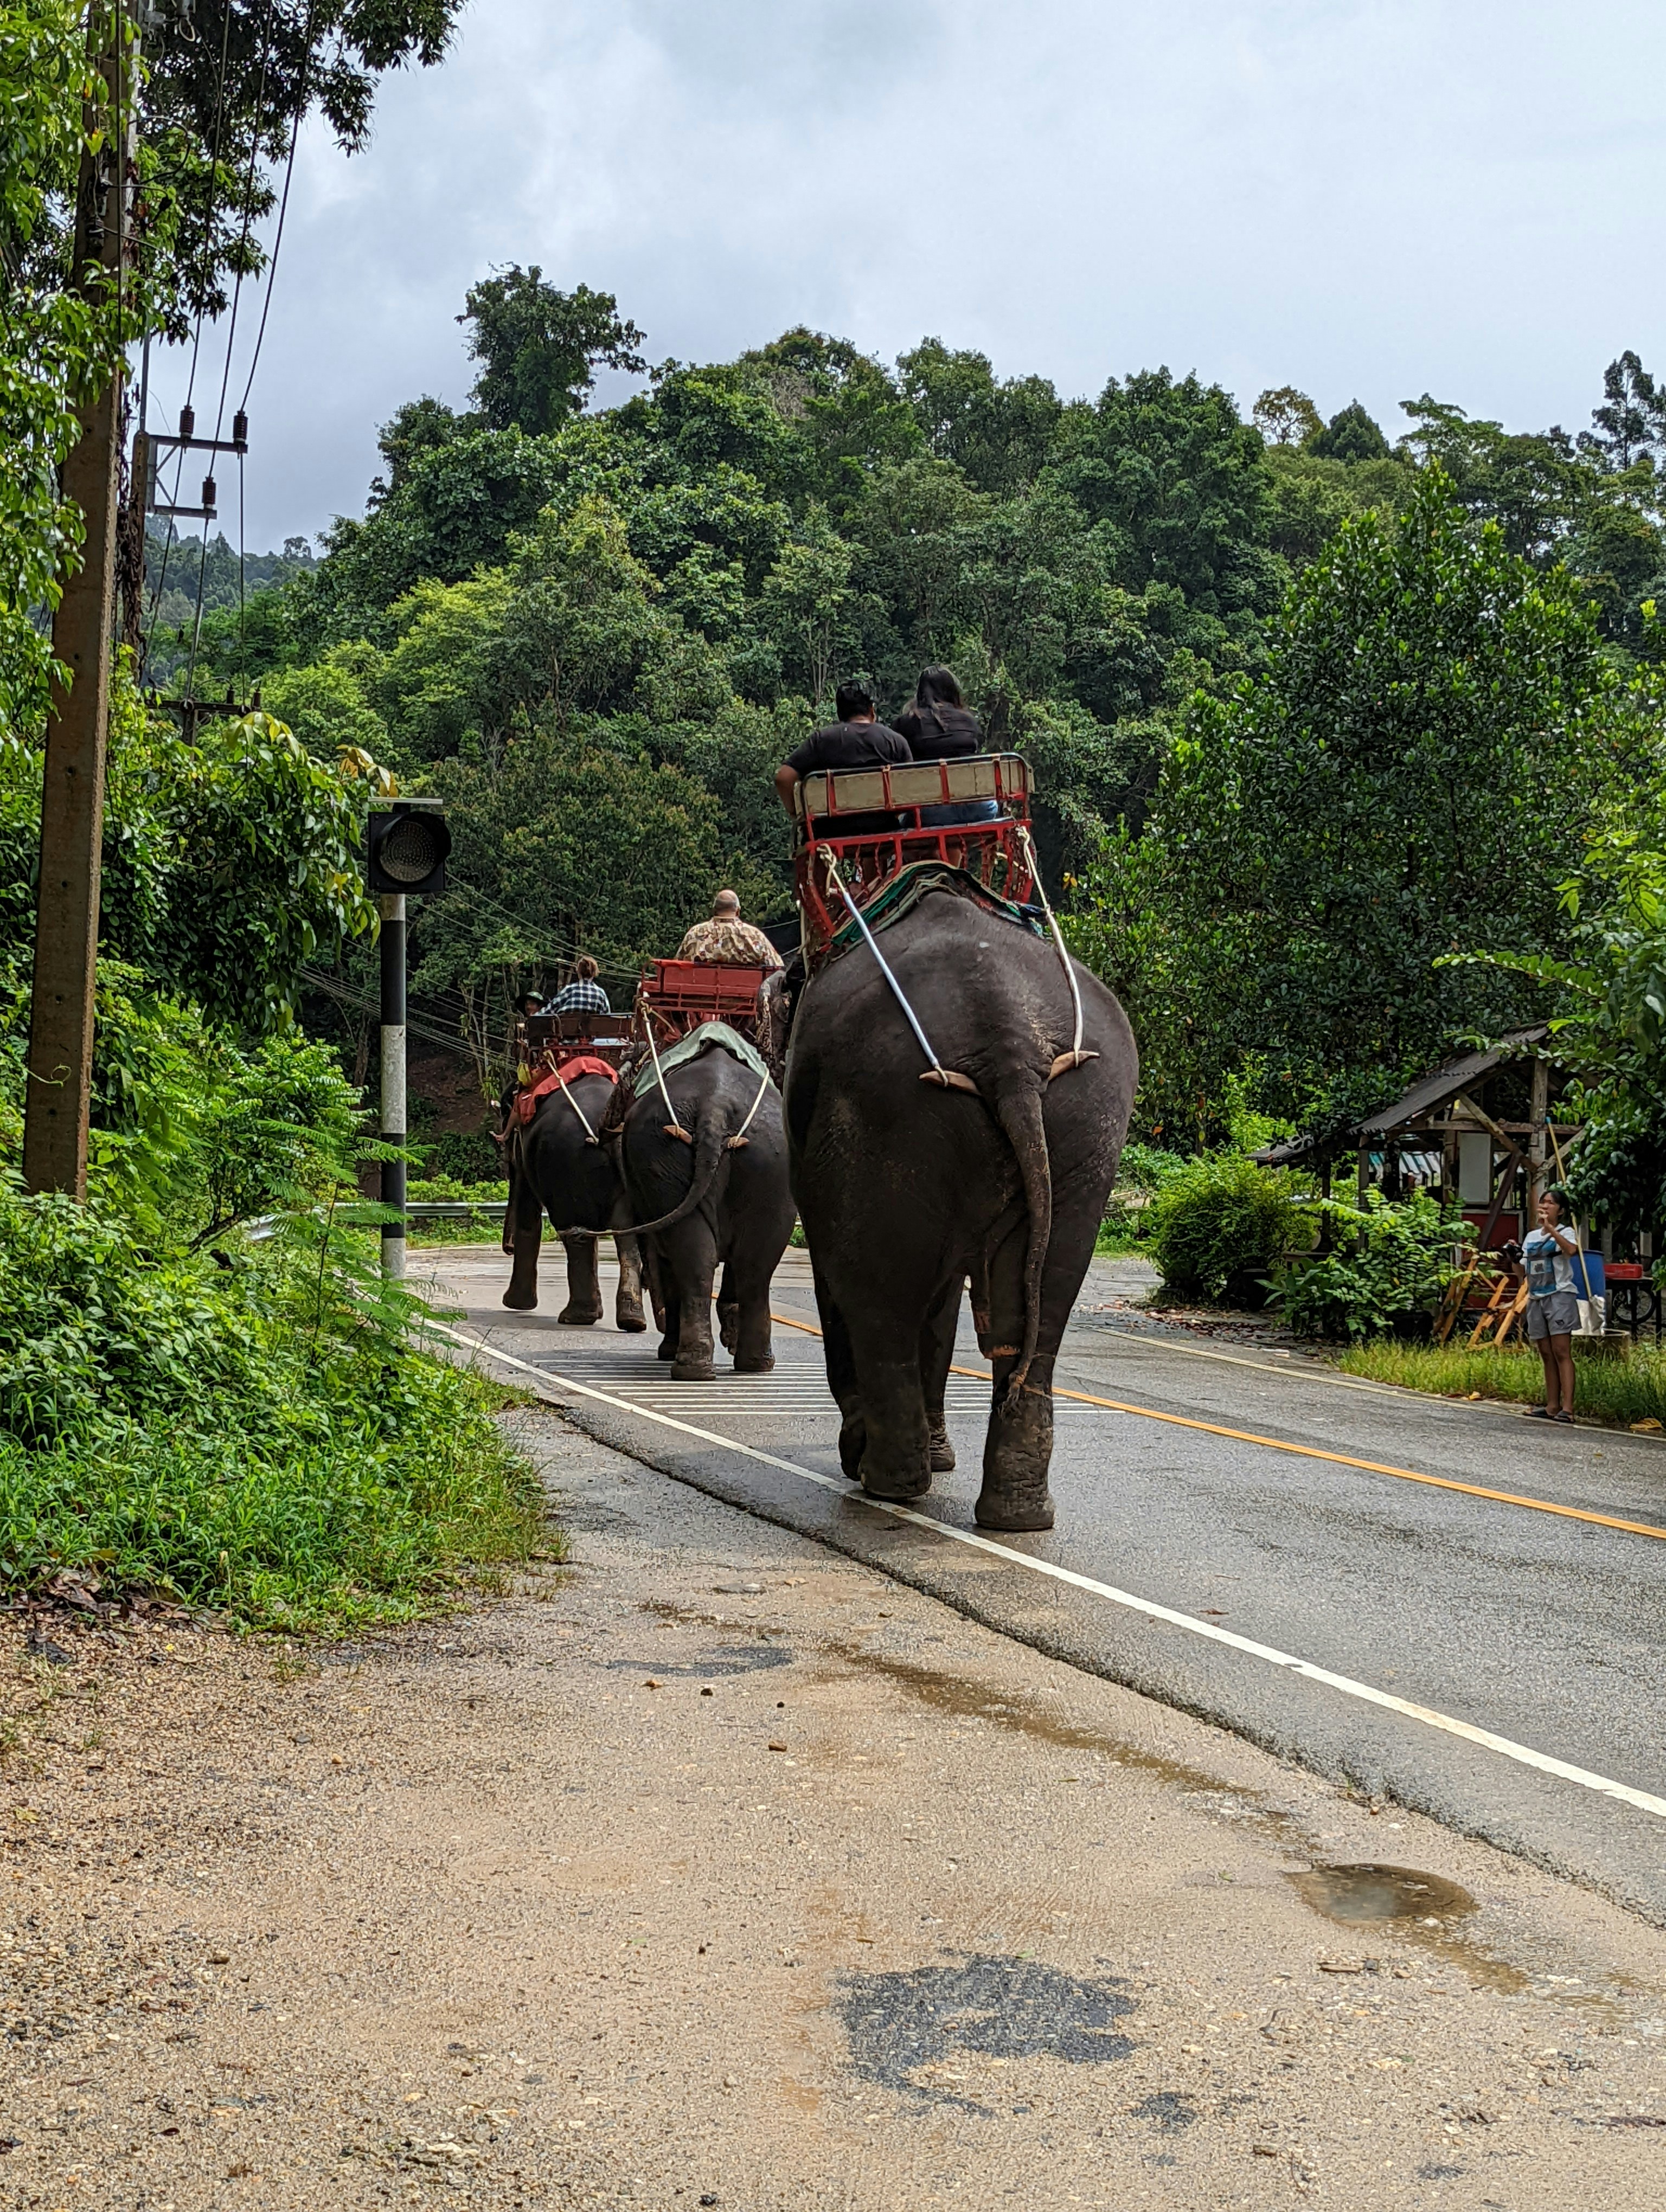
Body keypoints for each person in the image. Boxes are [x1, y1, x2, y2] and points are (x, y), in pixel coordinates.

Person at [775, 679, 912, 838]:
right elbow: (909, 791)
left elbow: (783, 778)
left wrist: (796, 813)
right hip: (883, 827)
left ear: (840, 714)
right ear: (872, 711)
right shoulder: (895, 741)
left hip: (830, 830)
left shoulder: (821, 740)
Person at [1510, 1186, 1585, 1423]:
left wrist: (1550, 1229)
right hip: (1536, 1296)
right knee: (1545, 1352)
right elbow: (1521, 1270)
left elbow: (1572, 1251)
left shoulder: (1567, 1232)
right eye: (1543, 1202)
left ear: (1560, 1210)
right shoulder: (1532, 1237)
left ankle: (1568, 1408)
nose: (1545, 1206)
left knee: (1561, 1350)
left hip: (1560, 1295)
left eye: (1551, 1203)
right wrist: (1513, 1257)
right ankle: (1552, 1405)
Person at [892, 666, 999, 828]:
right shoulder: (968, 720)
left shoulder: (907, 723)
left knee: (902, 822)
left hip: (931, 814)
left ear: (920, 693)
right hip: (979, 809)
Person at [676, 889, 784, 972]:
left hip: (698, 996)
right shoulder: (754, 935)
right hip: (748, 998)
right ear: (738, 911)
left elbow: (677, 966)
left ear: (714, 910)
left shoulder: (695, 933)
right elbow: (777, 967)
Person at [546, 955, 613, 1018]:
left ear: (578, 972)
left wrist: (535, 1016)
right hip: (591, 1030)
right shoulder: (601, 994)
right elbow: (607, 1019)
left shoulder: (569, 990)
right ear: (594, 973)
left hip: (567, 1029)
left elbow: (549, 1010)